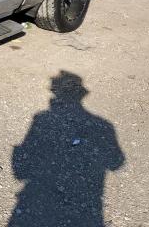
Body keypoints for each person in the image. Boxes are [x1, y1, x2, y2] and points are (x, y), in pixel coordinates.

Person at [9, 71, 125, 226]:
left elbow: (20, 171)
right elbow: (116, 162)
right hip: (86, 205)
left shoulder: (41, 119)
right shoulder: (104, 126)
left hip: (39, 204)